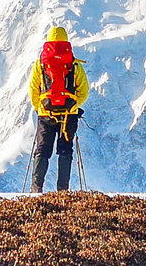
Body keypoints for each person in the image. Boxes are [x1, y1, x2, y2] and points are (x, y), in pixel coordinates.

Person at [28, 26, 90, 192]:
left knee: (42, 151)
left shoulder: (40, 64)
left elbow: (34, 90)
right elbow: (84, 91)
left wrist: (40, 108)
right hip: (68, 115)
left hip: (46, 114)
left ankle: (36, 188)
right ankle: (63, 190)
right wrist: (73, 106)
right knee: (65, 151)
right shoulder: (74, 64)